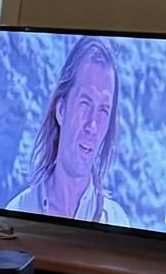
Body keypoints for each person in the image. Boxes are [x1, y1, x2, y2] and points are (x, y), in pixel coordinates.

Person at [7, 35, 131, 225]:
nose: (92, 125)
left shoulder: (117, 222)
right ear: (61, 110)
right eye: (85, 103)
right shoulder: (18, 212)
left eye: (103, 110)